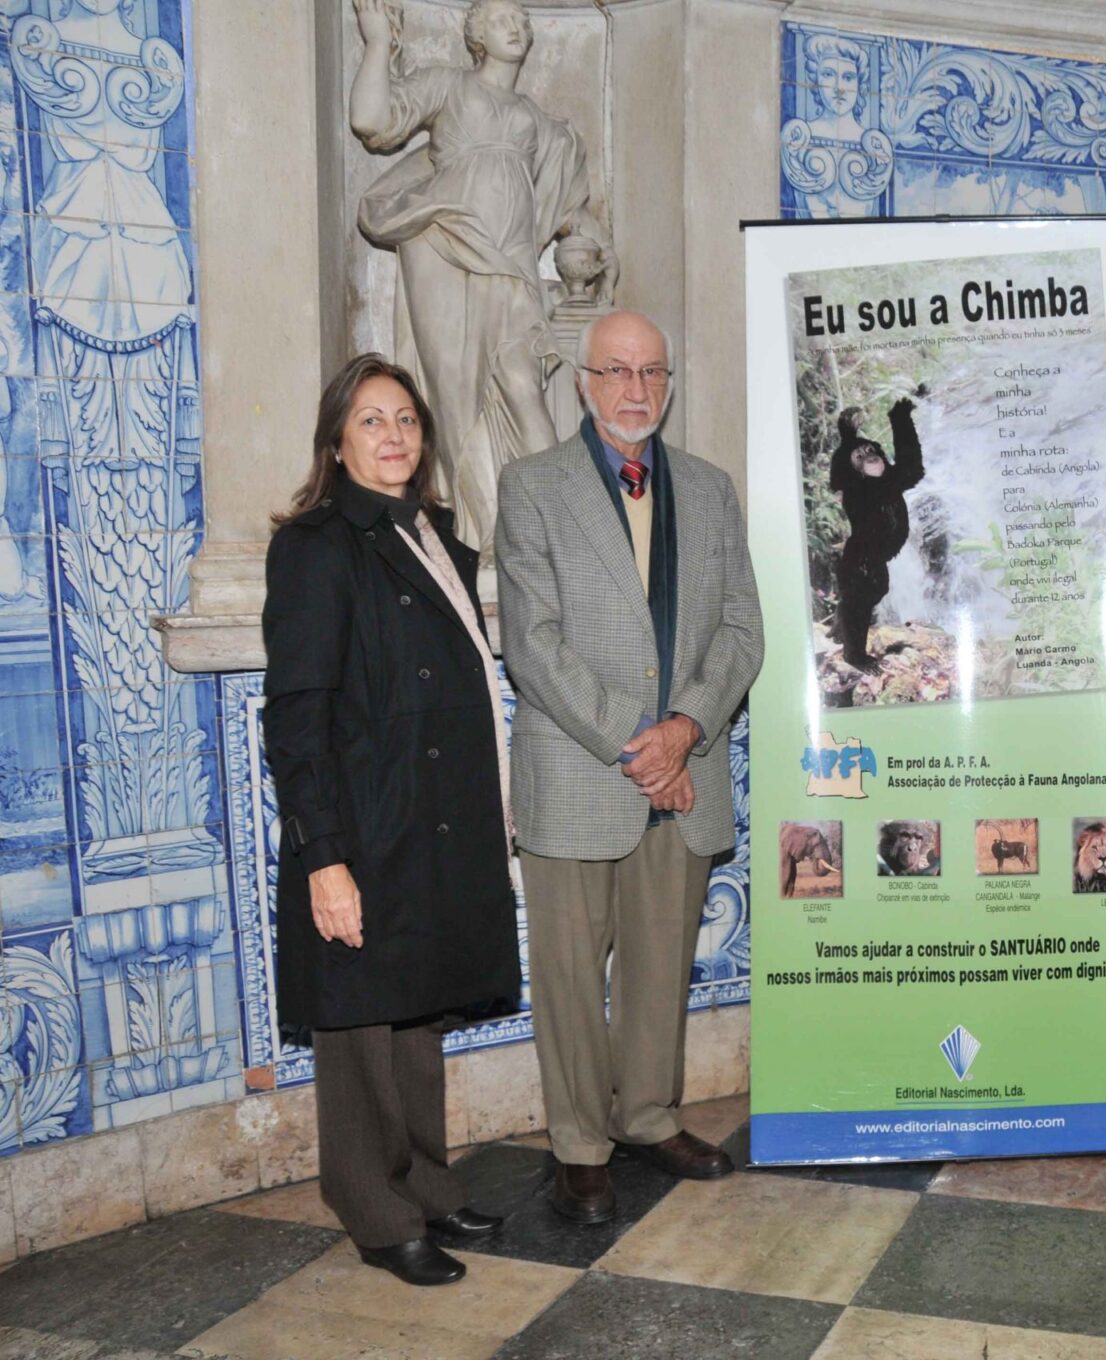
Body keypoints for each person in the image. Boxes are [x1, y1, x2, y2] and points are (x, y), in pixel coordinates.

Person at [496, 310, 763, 1223]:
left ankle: (648, 1115)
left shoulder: (710, 488)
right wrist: (640, 746)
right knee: (571, 970)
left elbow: (741, 628)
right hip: (581, 771)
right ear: (583, 382)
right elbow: (532, 645)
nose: (636, 390)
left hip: (682, 772)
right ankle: (578, 1142)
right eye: (615, 372)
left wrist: (684, 728)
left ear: (670, 381)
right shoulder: (531, 487)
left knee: (659, 963)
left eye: (652, 371)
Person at [263, 354, 522, 1287]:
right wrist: (324, 858)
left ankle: (425, 1183)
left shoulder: (433, 538)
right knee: (364, 1022)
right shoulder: (319, 546)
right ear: (337, 440)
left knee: (415, 1015)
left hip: (431, 823)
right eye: (371, 421)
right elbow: (294, 714)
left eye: (406, 418)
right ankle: (374, 1210)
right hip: (364, 826)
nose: (394, 436)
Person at [350, 0, 612, 547]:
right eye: (499, 20)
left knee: (522, 384)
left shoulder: (540, 123)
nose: (514, 26)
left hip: (511, 266)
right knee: (455, 398)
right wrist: (378, 43)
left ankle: (559, 536)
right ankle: (487, 539)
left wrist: (596, 248)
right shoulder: (448, 87)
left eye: (521, 20)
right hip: (442, 247)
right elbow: (372, 121)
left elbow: (568, 207)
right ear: (475, 35)